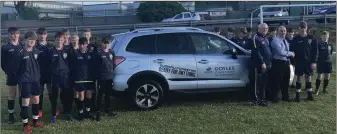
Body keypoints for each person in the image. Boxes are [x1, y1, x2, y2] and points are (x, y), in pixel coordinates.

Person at [15, 31, 45, 132]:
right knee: (26, 103)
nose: (32, 41)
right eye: (30, 39)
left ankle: (35, 121)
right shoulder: (20, 52)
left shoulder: (36, 51)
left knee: (36, 100)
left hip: (35, 80)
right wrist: (21, 79)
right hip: (25, 81)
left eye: (34, 40)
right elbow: (16, 68)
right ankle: (25, 124)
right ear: (25, 40)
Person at [48, 31, 73, 123]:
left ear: (64, 40)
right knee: (54, 96)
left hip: (65, 76)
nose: (59, 41)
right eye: (58, 40)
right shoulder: (50, 50)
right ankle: (54, 115)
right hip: (55, 77)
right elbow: (48, 64)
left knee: (67, 96)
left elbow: (71, 62)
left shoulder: (67, 50)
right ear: (55, 40)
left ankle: (68, 113)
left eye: (61, 40)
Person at [291, 21, 318, 102]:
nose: (303, 29)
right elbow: (292, 51)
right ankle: (297, 96)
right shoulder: (295, 39)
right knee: (299, 78)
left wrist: (314, 61)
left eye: (304, 28)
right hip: (299, 62)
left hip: (309, 62)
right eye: (301, 28)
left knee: (308, 78)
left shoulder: (312, 38)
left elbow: (315, 51)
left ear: (307, 28)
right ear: (298, 29)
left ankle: (309, 95)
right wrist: (293, 61)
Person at [1, 27, 23, 124]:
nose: (15, 35)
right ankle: (11, 116)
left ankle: (23, 113)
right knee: (11, 94)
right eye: (13, 33)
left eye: (16, 33)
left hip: (22, 74)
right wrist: (8, 72)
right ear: (9, 35)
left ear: (19, 34)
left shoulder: (22, 46)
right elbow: (2, 63)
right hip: (12, 75)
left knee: (22, 94)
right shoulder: (5, 47)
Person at [93, 36, 117, 121]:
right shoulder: (98, 53)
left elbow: (113, 64)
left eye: (108, 43)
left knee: (108, 94)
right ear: (102, 43)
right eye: (105, 43)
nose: (106, 44)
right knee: (100, 94)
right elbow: (95, 66)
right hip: (102, 77)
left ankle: (107, 110)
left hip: (109, 77)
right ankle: (98, 112)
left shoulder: (111, 52)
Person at [70, 37, 94, 120]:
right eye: (80, 44)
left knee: (89, 95)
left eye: (84, 44)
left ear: (87, 45)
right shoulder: (75, 54)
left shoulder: (90, 54)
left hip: (89, 78)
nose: (82, 46)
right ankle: (80, 113)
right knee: (81, 97)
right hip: (79, 79)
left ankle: (87, 112)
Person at [269, 26, 295, 103]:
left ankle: (285, 97)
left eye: (284, 31)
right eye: (281, 31)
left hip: (286, 63)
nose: (283, 32)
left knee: (285, 81)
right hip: (278, 62)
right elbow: (280, 52)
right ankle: (274, 98)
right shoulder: (275, 40)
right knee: (277, 81)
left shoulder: (285, 40)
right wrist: (291, 53)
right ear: (278, 31)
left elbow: (286, 51)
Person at [249, 23, 272, 106]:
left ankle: (262, 99)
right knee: (257, 83)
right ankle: (257, 100)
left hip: (267, 64)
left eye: (266, 28)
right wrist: (262, 62)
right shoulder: (256, 38)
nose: (265, 30)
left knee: (263, 83)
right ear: (259, 29)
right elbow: (256, 51)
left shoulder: (266, 38)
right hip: (258, 64)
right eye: (263, 28)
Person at [35, 28, 54, 118]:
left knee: (51, 91)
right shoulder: (35, 46)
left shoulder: (50, 46)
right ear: (37, 35)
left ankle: (54, 107)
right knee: (40, 92)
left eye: (44, 34)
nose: (42, 36)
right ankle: (39, 110)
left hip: (49, 73)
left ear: (46, 35)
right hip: (40, 74)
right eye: (40, 34)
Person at [82, 28, 98, 112]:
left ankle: (93, 105)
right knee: (84, 89)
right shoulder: (80, 45)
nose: (86, 36)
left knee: (92, 89)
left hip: (92, 71)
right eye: (85, 35)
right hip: (83, 71)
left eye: (87, 35)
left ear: (90, 35)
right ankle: (85, 105)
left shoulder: (93, 46)